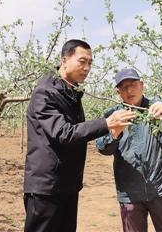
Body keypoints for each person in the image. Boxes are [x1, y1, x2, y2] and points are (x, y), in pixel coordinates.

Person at [24, 39, 136, 232]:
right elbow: (63, 133)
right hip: (47, 187)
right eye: (82, 61)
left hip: (67, 184)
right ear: (64, 60)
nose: (87, 68)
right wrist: (106, 123)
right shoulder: (46, 92)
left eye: (90, 63)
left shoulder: (71, 91)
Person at [95, 68, 162, 232]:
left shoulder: (158, 109)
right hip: (130, 193)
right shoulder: (113, 115)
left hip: (160, 189)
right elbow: (102, 148)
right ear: (118, 92)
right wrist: (114, 134)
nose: (129, 90)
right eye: (124, 87)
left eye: (133, 84)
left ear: (142, 85)